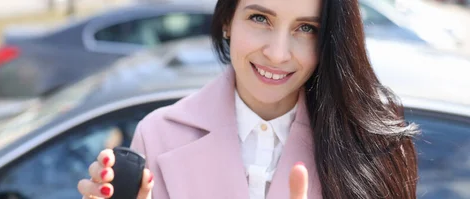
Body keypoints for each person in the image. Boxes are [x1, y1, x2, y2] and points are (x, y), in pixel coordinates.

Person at [77, 0, 420, 198]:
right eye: (260, 18)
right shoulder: (159, 136)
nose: (278, 53)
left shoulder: (372, 145)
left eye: (306, 28)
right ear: (227, 20)